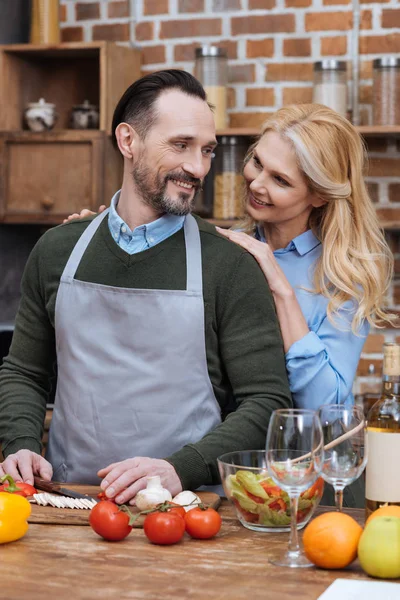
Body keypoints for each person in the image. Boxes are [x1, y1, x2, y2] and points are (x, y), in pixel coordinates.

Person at [0, 70, 292, 505]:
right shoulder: (58, 250)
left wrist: (180, 468)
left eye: (207, 150)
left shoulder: (229, 265)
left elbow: (266, 402)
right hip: (66, 504)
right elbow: (25, 371)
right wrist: (19, 444)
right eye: (181, 145)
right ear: (128, 141)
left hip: (185, 513)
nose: (198, 167)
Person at [71, 103, 395, 411]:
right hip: (225, 457)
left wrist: (281, 290)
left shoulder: (344, 275)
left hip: (305, 463)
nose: (256, 183)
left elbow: (323, 407)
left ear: (320, 195)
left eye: (280, 180)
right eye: (257, 162)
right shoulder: (223, 248)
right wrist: (114, 240)